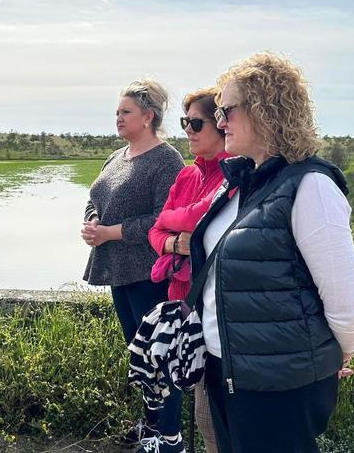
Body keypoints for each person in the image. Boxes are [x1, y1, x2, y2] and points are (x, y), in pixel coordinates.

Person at [190, 53, 354, 453]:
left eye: (228, 110)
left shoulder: (311, 187)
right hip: (224, 370)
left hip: (278, 384)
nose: (219, 122)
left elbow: (348, 307)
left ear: (266, 111)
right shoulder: (242, 182)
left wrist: (330, 355)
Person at [81, 79, 185, 453]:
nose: (118, 119)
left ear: (148, 116)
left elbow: (164, 217)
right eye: (117, 112)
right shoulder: (117, 156)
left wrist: (110, 231)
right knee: (138, 354)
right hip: (117, 271)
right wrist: (93, 222)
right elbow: (95, 197)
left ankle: (169, 437)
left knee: (161, 354)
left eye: (126, 112)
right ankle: (150, 427)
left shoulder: (166, 160)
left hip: (149, 273)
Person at [147, 87, 231, 453]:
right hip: (184, 306)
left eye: (196, 123)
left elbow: (196, 219)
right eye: (184, 122)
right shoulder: (186, 176)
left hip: (215, 309)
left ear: (221, 124)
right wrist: (176, 241)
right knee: (201, 411)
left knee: (217, 420)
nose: (188, 130)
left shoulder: (232, 172)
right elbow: (155, 231)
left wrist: (172, 225)